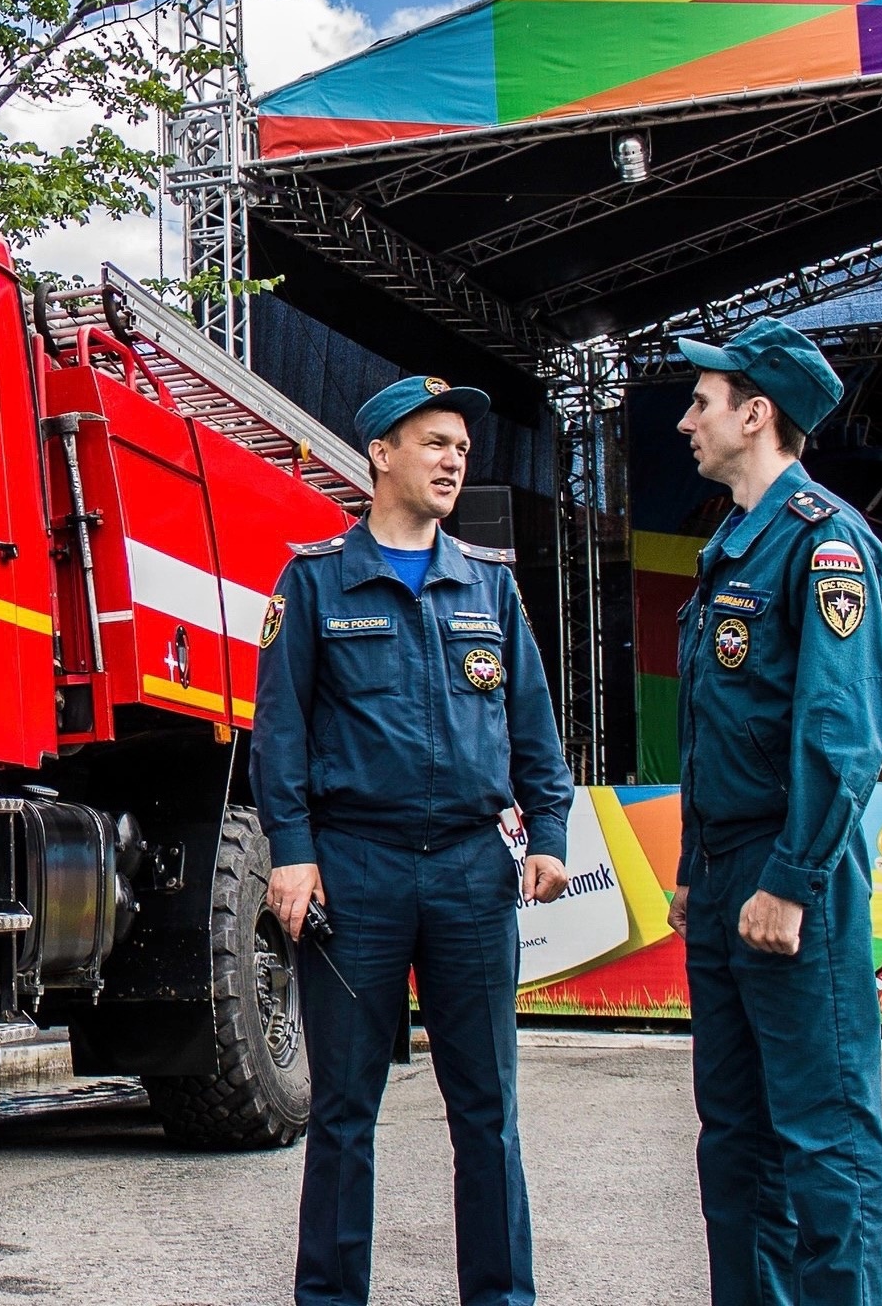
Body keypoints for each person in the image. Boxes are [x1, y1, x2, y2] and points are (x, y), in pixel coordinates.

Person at [251, 375, 572, 1306]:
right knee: (345, 1112)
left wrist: (546, 831)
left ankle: (502, 1297)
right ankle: (330, 1297)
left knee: (486, 1112)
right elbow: (281, 733)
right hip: (355, 871)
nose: (452, 459)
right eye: (433, 443)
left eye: (461, 448)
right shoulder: (312, 582)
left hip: (474, 871)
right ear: (380, 455)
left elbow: (531, 730)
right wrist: (293, 850)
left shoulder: (490, 587)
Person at [666, 316, 882, 1306]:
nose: (685, 421)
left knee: (824, 1133)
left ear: (758, 413)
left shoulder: (824, 540)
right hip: (721, 874)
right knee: (737, 1139)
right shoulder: (729, 548)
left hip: (787, 873)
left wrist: (791, 881)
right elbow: (714, 727)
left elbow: (840, 731)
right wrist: (691, 871)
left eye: (702, 402)